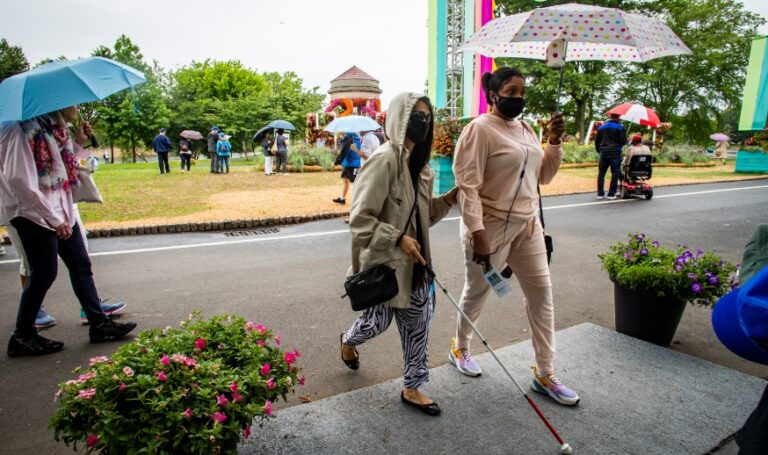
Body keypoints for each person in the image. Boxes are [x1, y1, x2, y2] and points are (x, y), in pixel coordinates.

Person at [449, 67, 580, 406]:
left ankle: (545, 372)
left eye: (522, 92)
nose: (518, 98)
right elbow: (468, 187)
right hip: (489, 229)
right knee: (477, 293)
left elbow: (544, 177)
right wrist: (477, 234)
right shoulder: (479, 130)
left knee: (542, 296)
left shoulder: (526, 129)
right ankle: (460, 347)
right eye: (511, 91)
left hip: (529, 226)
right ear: (493, 95)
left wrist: (553, 142)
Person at [340, 92, 458, 416]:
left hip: (417, 267)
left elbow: (421, 218)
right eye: (416, 116)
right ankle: (348, 341)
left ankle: (413, 387)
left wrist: (447, 200)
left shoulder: (421, 167)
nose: (423, 122)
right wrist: (398, 239)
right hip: (387, 268)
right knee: (374, 324)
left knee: (418, 327)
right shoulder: (384, 160)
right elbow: (360, 221)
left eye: (427, 117)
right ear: (399, 118)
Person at [0, 105, 138, 357]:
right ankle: (21, 336)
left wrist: (79, 142)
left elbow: (62, 166)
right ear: (56, 103)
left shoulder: (53, 129)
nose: (77, 107)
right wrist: (53, 219)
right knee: (43, 273)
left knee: (80, 263)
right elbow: (19, 180)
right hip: (32, 213)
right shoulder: (18, 130)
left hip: (60, 208)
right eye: (73, 103)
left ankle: (98, 324)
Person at [595, 112, 627, 199]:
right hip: (615, 152)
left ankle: (600, 193)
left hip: (603, 152)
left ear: (610, 116)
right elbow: (623, 142)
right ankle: (611, 193)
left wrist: (599, 150)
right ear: (618, 117)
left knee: (601, 173)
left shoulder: (601, 127)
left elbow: (597, 141)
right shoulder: (620, 128)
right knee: (615, 172)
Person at [332, 132, 361, 205]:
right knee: (345, 180)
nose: (338, 132)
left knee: (356, 183)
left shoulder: (349, 138)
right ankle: (342, 199)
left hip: (353, 164)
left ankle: (359, 201)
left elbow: (344, 152)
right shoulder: (349, 137)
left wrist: (336, 162)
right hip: (348, 163)